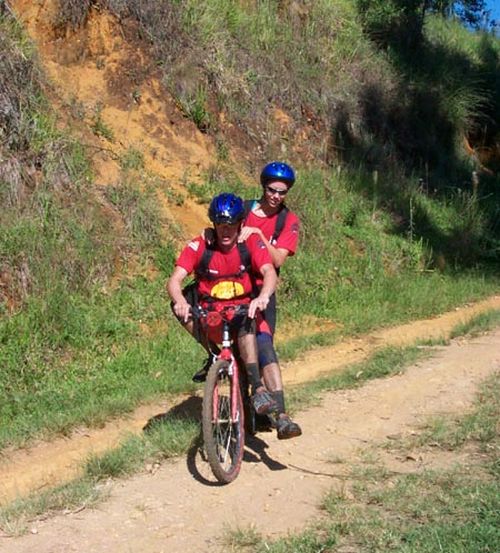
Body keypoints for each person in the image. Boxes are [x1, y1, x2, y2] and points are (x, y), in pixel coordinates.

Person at [167, 192, 278, 416]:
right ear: (213, 224)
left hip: (242, 310)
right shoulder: (201, 245)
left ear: (239, 224)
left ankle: (257, 387)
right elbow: (175, 279)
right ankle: (213, 354)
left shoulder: (250, 243)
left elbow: (269, 272)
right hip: (211, 311)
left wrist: (263, 296)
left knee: (247, 323)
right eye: (220, 225)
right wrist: (179, 300)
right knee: (179, 308)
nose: (225, 231)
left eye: (230, 225)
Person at [237, 161, 301, 439]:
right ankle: (243, 410)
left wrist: (259, 234)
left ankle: (278, 415)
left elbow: (277, 259)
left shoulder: (288, 221)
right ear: (263, 187)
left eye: (282, 192)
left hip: (264, 289)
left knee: (263, 346)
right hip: (234, 286)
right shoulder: (243, 208)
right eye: (272, 190)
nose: (276, 196)